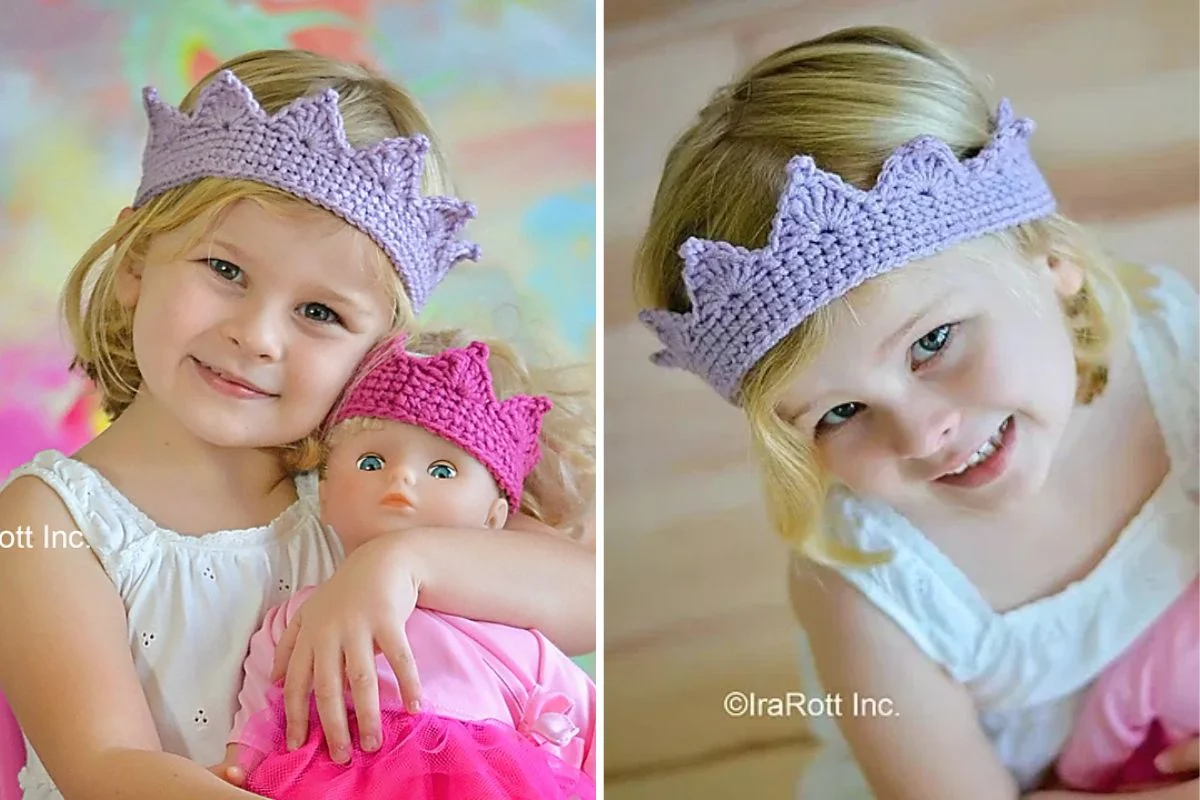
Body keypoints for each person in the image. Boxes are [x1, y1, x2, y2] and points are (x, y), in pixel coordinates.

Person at [0, 49, 594, 800]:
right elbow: (106, 766)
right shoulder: (52, 521)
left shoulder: (370, 487)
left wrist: (401, 564)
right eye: (225, 270)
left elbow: (588, 594)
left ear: (376, 347)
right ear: (137, 263)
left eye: (320, 313)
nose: (258, 336)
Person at [633, 25, 1198, 800]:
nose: (921, 431)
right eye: (839, 413)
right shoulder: (869, 594)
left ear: (1050, 263)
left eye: (932, 342)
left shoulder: (1174, 353)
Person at [212, 332, 595, 799]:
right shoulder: (304, 615)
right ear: (325, 496)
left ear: (494, 517)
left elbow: (584, 724)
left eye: (442, 471)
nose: (402, 476)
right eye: (372, 461)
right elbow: (267, 704)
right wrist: (240, 765)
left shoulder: (511, 634)